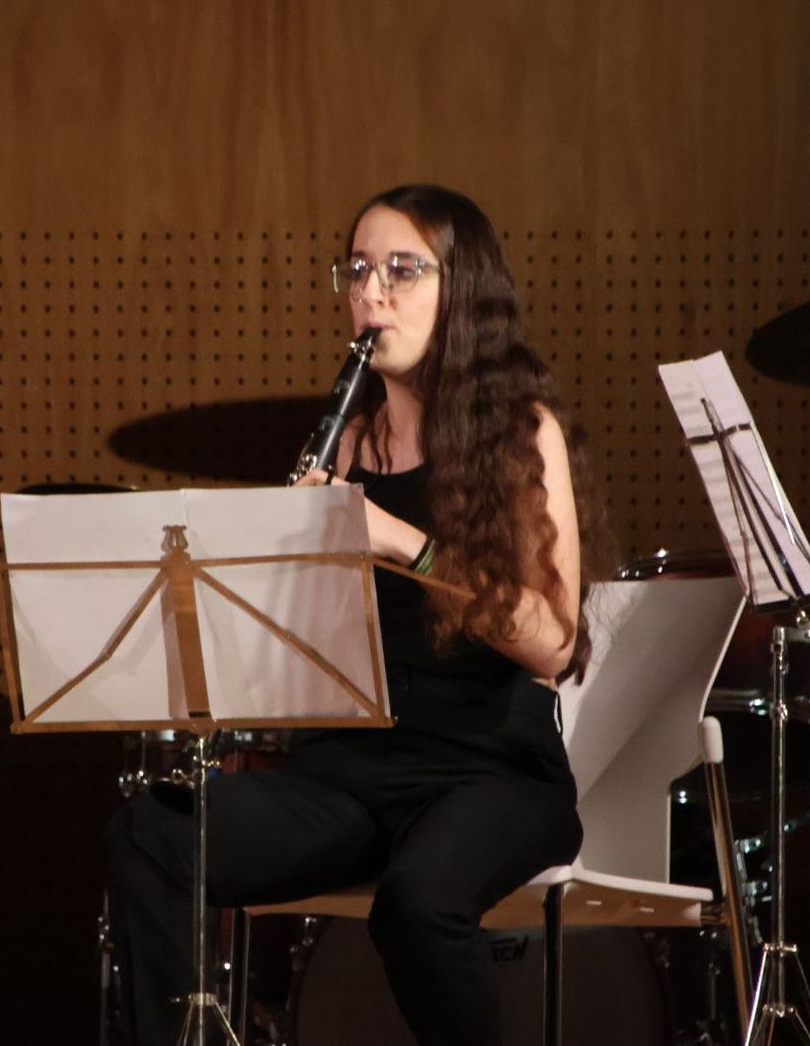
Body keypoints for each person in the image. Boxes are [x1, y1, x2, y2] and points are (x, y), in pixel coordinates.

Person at [105, 183, 600, 1045]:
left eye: (402, 269)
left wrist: (399, 542)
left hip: (493, 769)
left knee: (416, 903)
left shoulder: (523, 432)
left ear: (463, 291)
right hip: (354, 771)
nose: (371, 291)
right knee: (150, 835)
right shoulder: (346, 442)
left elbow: (553, 645)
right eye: (359, 269)